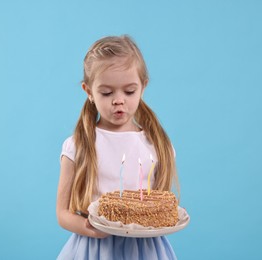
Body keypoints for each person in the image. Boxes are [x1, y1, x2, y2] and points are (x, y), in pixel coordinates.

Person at [56, 35, 179, 259]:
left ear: (143, 87)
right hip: (94, 250)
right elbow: (62, 213)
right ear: (88, 91)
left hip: (145, 250)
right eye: (106, 92)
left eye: (129, 91)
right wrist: (90, 228)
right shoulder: (77, 146)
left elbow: (160, 206)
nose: (118, 100)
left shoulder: (157, 145)